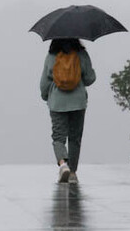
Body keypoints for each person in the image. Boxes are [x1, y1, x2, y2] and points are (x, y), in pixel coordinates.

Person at [40, 38, 95, 183]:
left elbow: (44, 84)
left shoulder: (51, 56)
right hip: (78, 102)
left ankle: (63, 165)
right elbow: (90, 79)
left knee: (58, 137)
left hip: (57, 102)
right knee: (75, 138)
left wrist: (47, 97)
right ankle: (72, 172)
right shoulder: (81, 54)